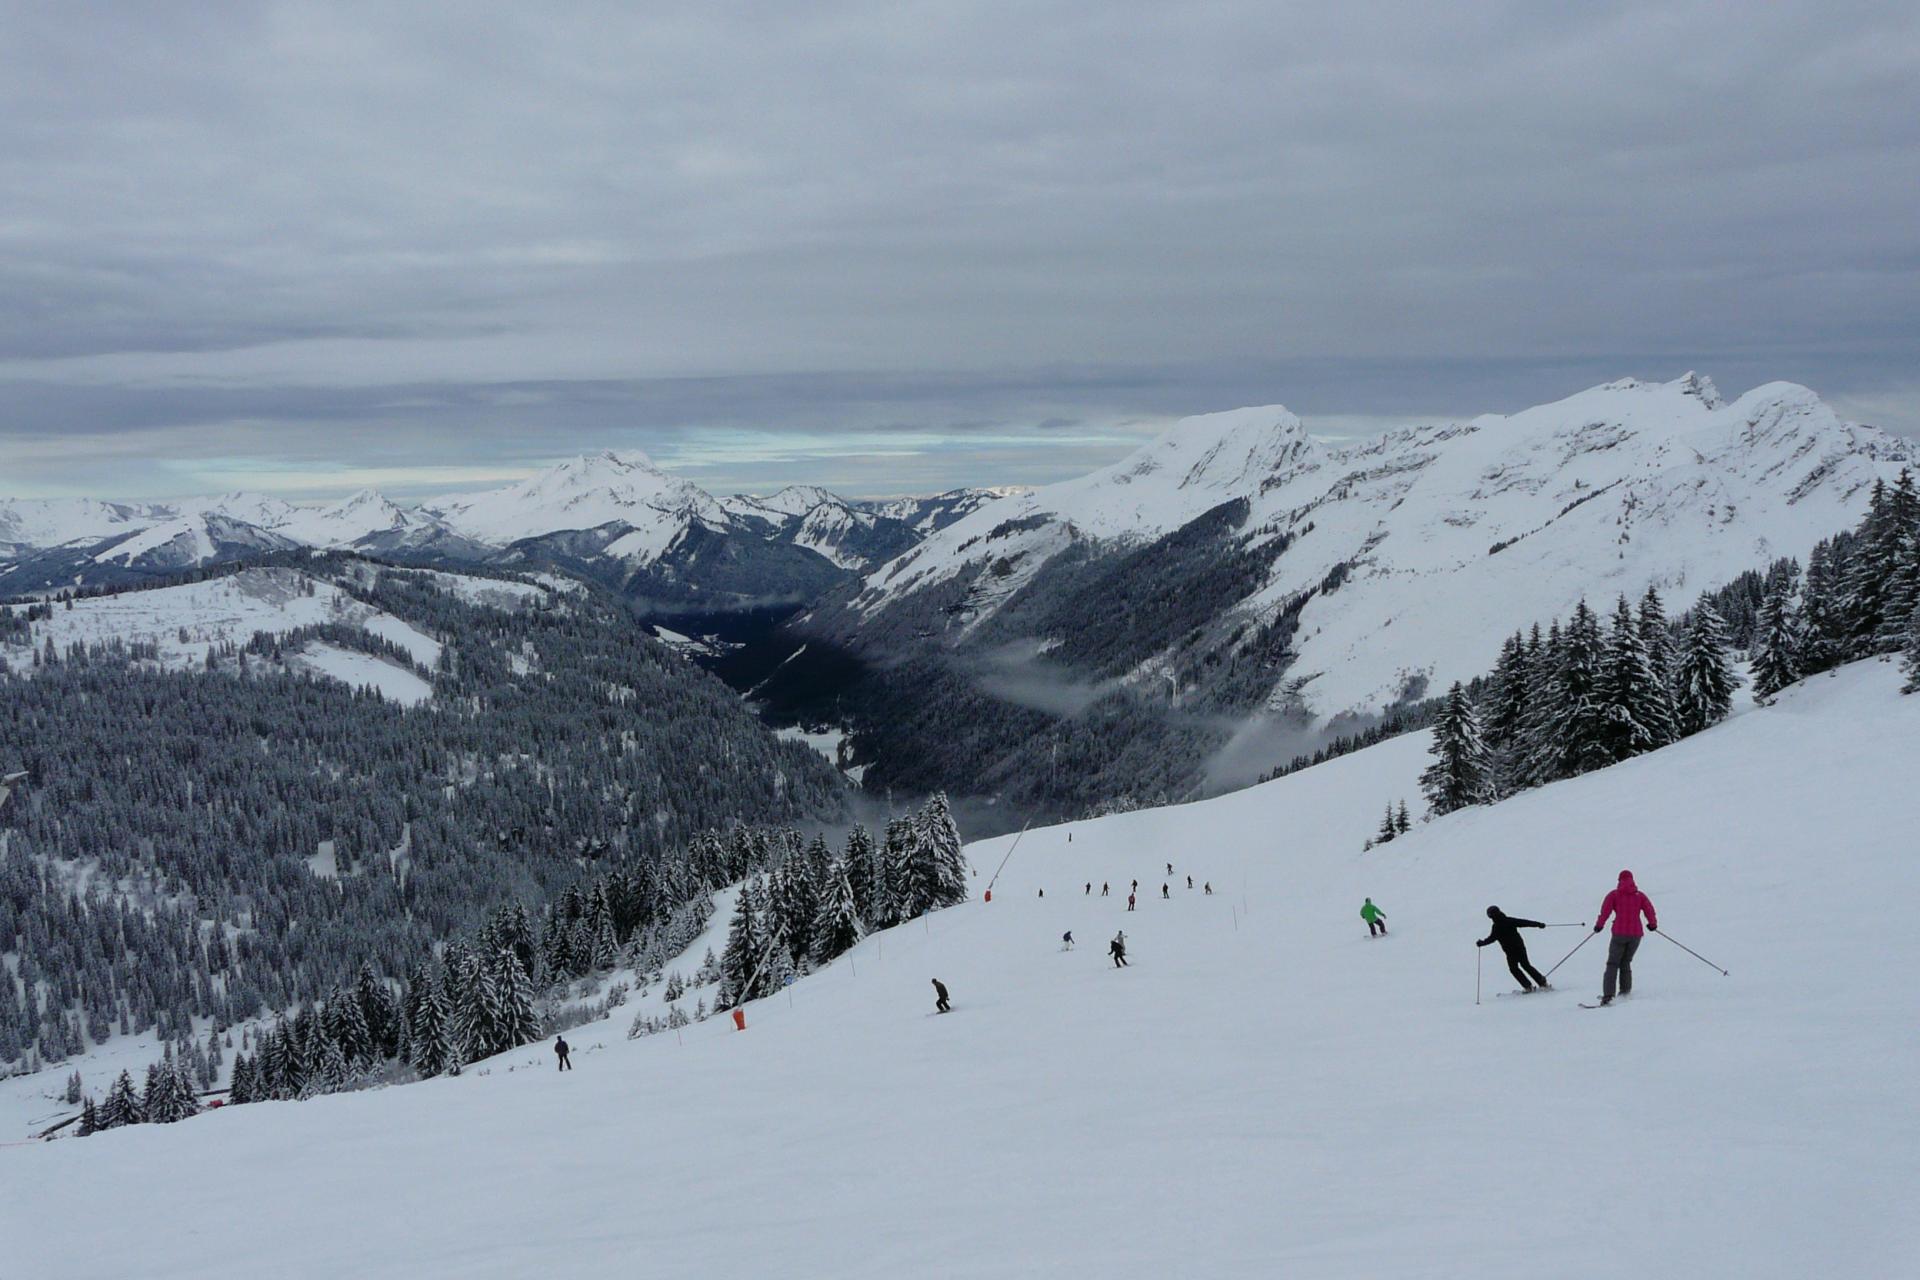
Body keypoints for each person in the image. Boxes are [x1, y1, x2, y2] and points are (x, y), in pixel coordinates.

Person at [1594, 869, 1657, 1005]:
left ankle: (1608, 996)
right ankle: (1625, 992)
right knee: (1626, 962)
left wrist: (1599, 925)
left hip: (1619, 934)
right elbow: (1649, 910)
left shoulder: (1614, 895)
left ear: (1619, 881)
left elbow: (1605, 911)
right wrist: (1652, 924)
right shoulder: (1640, 896)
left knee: (1612, 963)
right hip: (1636, 935)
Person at [1477, 906, 1550, 992]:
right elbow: (1524, 922)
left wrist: (1482, 943)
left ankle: (1528, 986)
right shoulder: (1508, 920)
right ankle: (1542, 982)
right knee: (1526, 965)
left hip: (1510, 951)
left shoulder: (1496, 927)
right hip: (1519, 947)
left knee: (1514, 969)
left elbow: (1491, 939)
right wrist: (1538, 924)